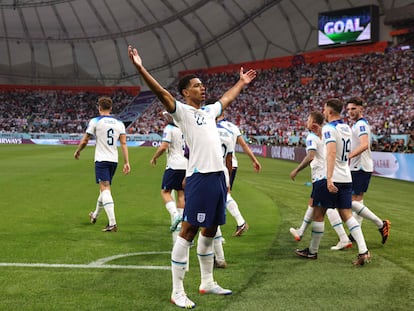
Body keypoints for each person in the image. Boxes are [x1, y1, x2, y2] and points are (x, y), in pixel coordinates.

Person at [128, 44, 256, 309]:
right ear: (186, 92)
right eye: (197, 85)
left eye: (202, 85)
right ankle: (177, 290)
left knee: (210, 230)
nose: (203, 88)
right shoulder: (182, 113)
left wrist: (241, 82)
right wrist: (140, 68)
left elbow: (227, 99)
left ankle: (207, 282)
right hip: (199, 178)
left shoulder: (210, 112)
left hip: (219, 178)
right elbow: (160, 92)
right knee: (188, 231)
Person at [295, 98, 371, 266]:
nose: (323, 112)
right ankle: (363, 250)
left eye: (324, 109)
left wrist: (328, 178)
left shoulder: (329, 128)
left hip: (331, 177)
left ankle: (312, 251)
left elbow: (331, 153)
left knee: (318, 213)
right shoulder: (346, 127)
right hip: (346, 176)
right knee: (347, 215)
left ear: (329, 111)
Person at [289, 111, 352, 250]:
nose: (306, 121)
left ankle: (318, 247)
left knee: (322, 209)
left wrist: (297, 170)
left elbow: (311, 156)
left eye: (308, 119)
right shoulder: (325, 133)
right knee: (315, 204)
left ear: (313, 122)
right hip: (330, 174)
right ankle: (302, 231)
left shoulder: (311, 136)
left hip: (321, 177)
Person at [74, 96, 130, 232]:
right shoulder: (119, 123)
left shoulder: (95, 121)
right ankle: (95, 215)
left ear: (99, 107)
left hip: (101, 160)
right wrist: (127, 162)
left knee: (105, 188)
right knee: (104, 188)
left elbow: (85, 140)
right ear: (111, 108)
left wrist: (78, 150)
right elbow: (123, 143)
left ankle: (112, 223)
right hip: (114, 161)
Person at [346, 97, 390, 244]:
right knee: (357, 201)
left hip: (361, 166)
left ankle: (380, 224)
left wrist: (349, 156)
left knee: (352, 201)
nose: (350, 112)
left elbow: (364, 145)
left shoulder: (361, 125)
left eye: (353, 108)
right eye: (348, 109)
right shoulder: (357, 125)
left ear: (361, 109)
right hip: (358, 166)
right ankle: (355, 233)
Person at [216, 111, 262, 236]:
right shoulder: (233, 127)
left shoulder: (213, 127)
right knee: (224, 195)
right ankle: (238, 223)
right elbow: (244, 145)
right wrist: (254, 160)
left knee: (221, 196)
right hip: (232, 164)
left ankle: (237, 223)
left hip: (222, 164)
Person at [150, 111, 188, 244]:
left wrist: (154, 157)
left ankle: (175, 215)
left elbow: (164, 146)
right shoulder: (186, 128)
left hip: (174, 165)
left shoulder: (170, 129)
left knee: (165, 192)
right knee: (181, 194)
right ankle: (182, 224)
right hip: (186, 165)